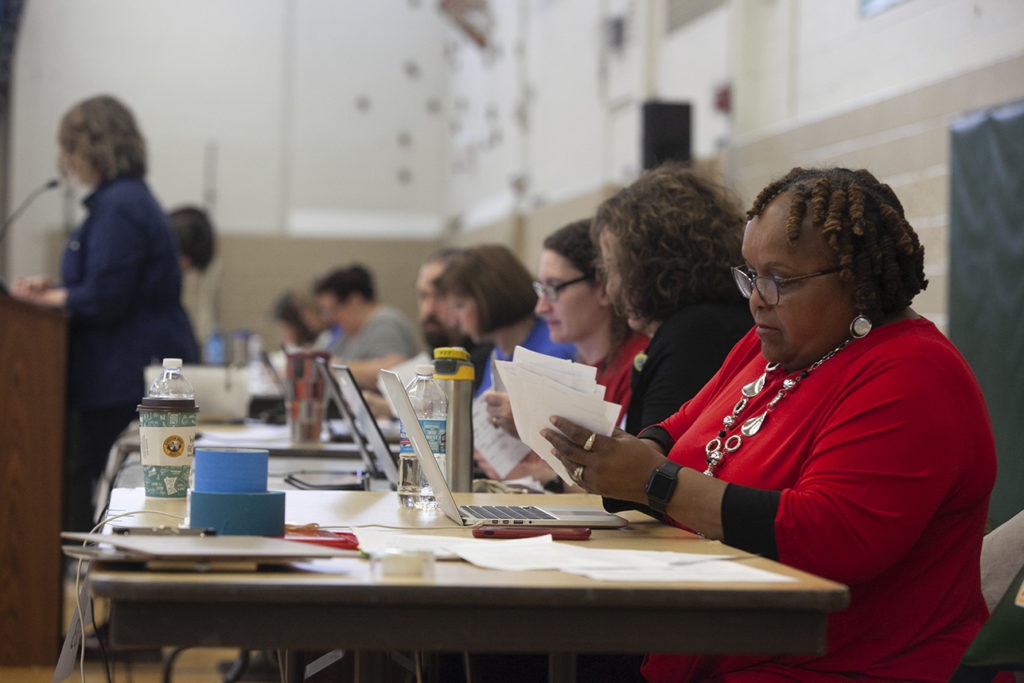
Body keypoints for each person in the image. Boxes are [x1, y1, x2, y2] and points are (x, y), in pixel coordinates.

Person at [542, 167, 998, 681]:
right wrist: (615, 457)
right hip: (724, 646)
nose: (756, 297)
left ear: (858, 281)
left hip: (847, 667)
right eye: (750, 275)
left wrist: (650, 481)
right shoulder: (771, 349)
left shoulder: (913, 374)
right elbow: (675, 432)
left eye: (779, 280)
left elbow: (827, 537)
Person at [11, 95, 198, 532]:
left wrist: (49, 300)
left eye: (69, 148)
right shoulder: (122, 202)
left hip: (118, 377)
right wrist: (57, 292)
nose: (65, 161)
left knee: (91, 483)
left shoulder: (121, 206)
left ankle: (86, 579)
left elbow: (104, 297)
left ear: (90, 146)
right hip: (116, 372)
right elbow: (106, 287)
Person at [592, 162, 753, 436]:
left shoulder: (691, 335)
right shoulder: (722, 317)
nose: (609, 288)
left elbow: (645, 469)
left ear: (650, 266)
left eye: (614, 266)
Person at [485, 219, 648, 435]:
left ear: (602, 288)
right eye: (541, 289)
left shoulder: (636, 367)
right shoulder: (588, 369)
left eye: (554, 288)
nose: (541, 307)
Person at [437, 243, 575, 483]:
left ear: (489, 297)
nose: (453, 319)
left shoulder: (552, 352)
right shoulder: (497, 352)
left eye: (460, 305)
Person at [314, 263, 418, 388]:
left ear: (354, 301)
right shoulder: (349, 331)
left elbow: (395, 370)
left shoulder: (385, 323)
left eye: (333, 310)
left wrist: (334, 368)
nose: (332, 318)